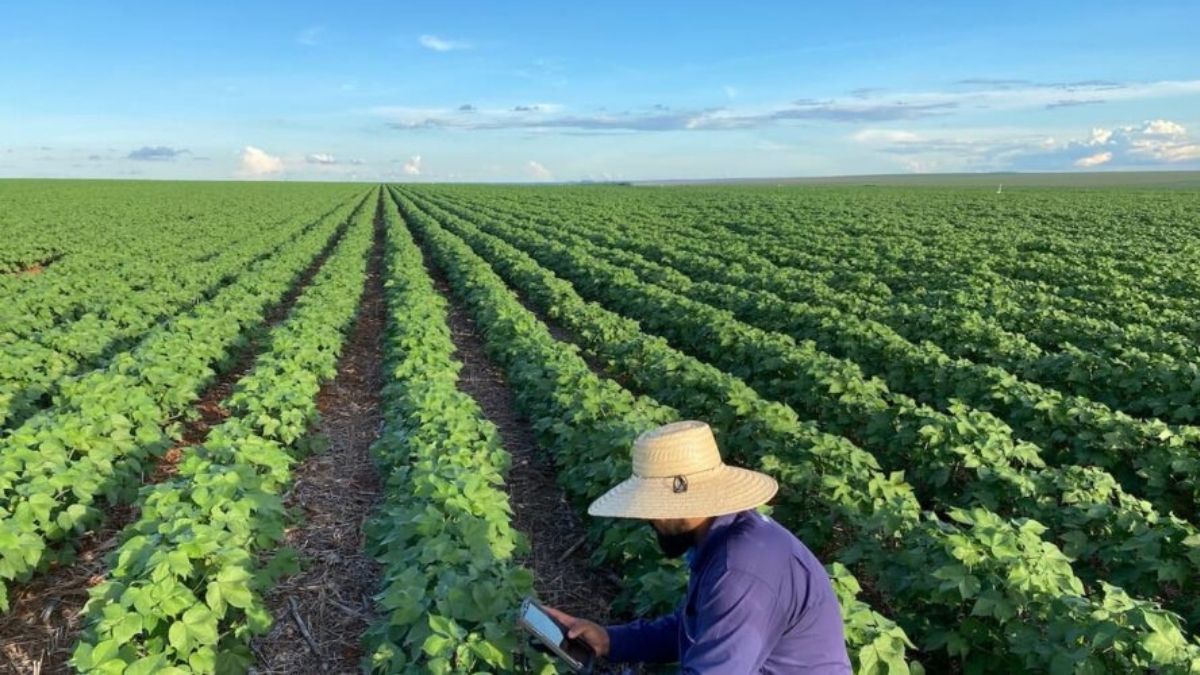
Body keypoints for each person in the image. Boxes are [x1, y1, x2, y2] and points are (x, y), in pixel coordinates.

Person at [544, 420, 851, 674]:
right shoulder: (726, 537)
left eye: (652, 506)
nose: (646, 517)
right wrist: (610, 640)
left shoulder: (740, 570)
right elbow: (698, 628)